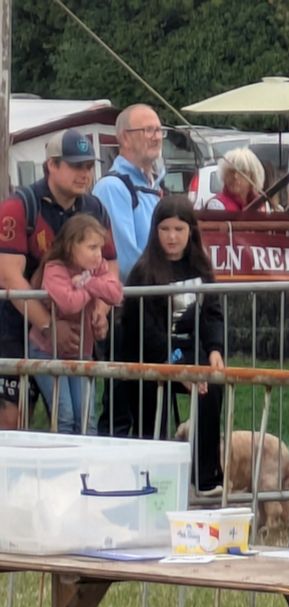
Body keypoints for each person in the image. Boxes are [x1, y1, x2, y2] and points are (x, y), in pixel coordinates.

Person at [0, 129, 116, 430]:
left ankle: (79, 475)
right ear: (52, 165)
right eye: (76, 166)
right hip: (15, 327)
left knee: (80, 417)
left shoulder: (96, 209)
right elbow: (9, 275)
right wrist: (50, 326)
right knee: (12, 418)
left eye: (89, 166)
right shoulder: (18, 206)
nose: (85, 174)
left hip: (78, 330)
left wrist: (101, 309)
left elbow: (110, 264)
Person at [122, 195, 225, 495]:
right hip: (147, 358)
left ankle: (205, 478)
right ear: (155, 231)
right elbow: (146, 329)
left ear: (190, 231)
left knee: (211, 387)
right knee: (151, 415)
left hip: (188, 351)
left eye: (179, 229)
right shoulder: (143, 273)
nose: (172, 237)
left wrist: (215, 350)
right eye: (165, 229)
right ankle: (150, 481)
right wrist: (175, 366)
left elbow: (212, 312)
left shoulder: (202, 269)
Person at [93, 103, 165, 436]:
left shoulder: (154, 186)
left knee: (153, 401)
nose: (156, 136)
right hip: (126, 314)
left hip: (151, 311)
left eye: (158, 129)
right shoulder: (113, 188)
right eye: (147, 130)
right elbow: (126, 256)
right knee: (123, 406)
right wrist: (171, 277)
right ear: (124, 138)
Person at [30, 215, 123, 433]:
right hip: (47, 351)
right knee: (65, 415)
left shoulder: (95, 269)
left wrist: (87, 282)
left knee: (86, 417)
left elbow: (116, 293)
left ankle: (89, 464)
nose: (99, 254)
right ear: (72, 246)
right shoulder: (54, 268)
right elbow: (69, 303)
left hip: (81, 350)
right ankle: (66, 464)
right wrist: (92, 290)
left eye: (100, 248)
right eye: (92, 247)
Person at [205, 147, 267, 212]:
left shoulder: (261, 202)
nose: (235, 176)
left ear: (253, 176)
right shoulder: (217, 205)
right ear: (224, 175)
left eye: (242, 172)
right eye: (231, 171)